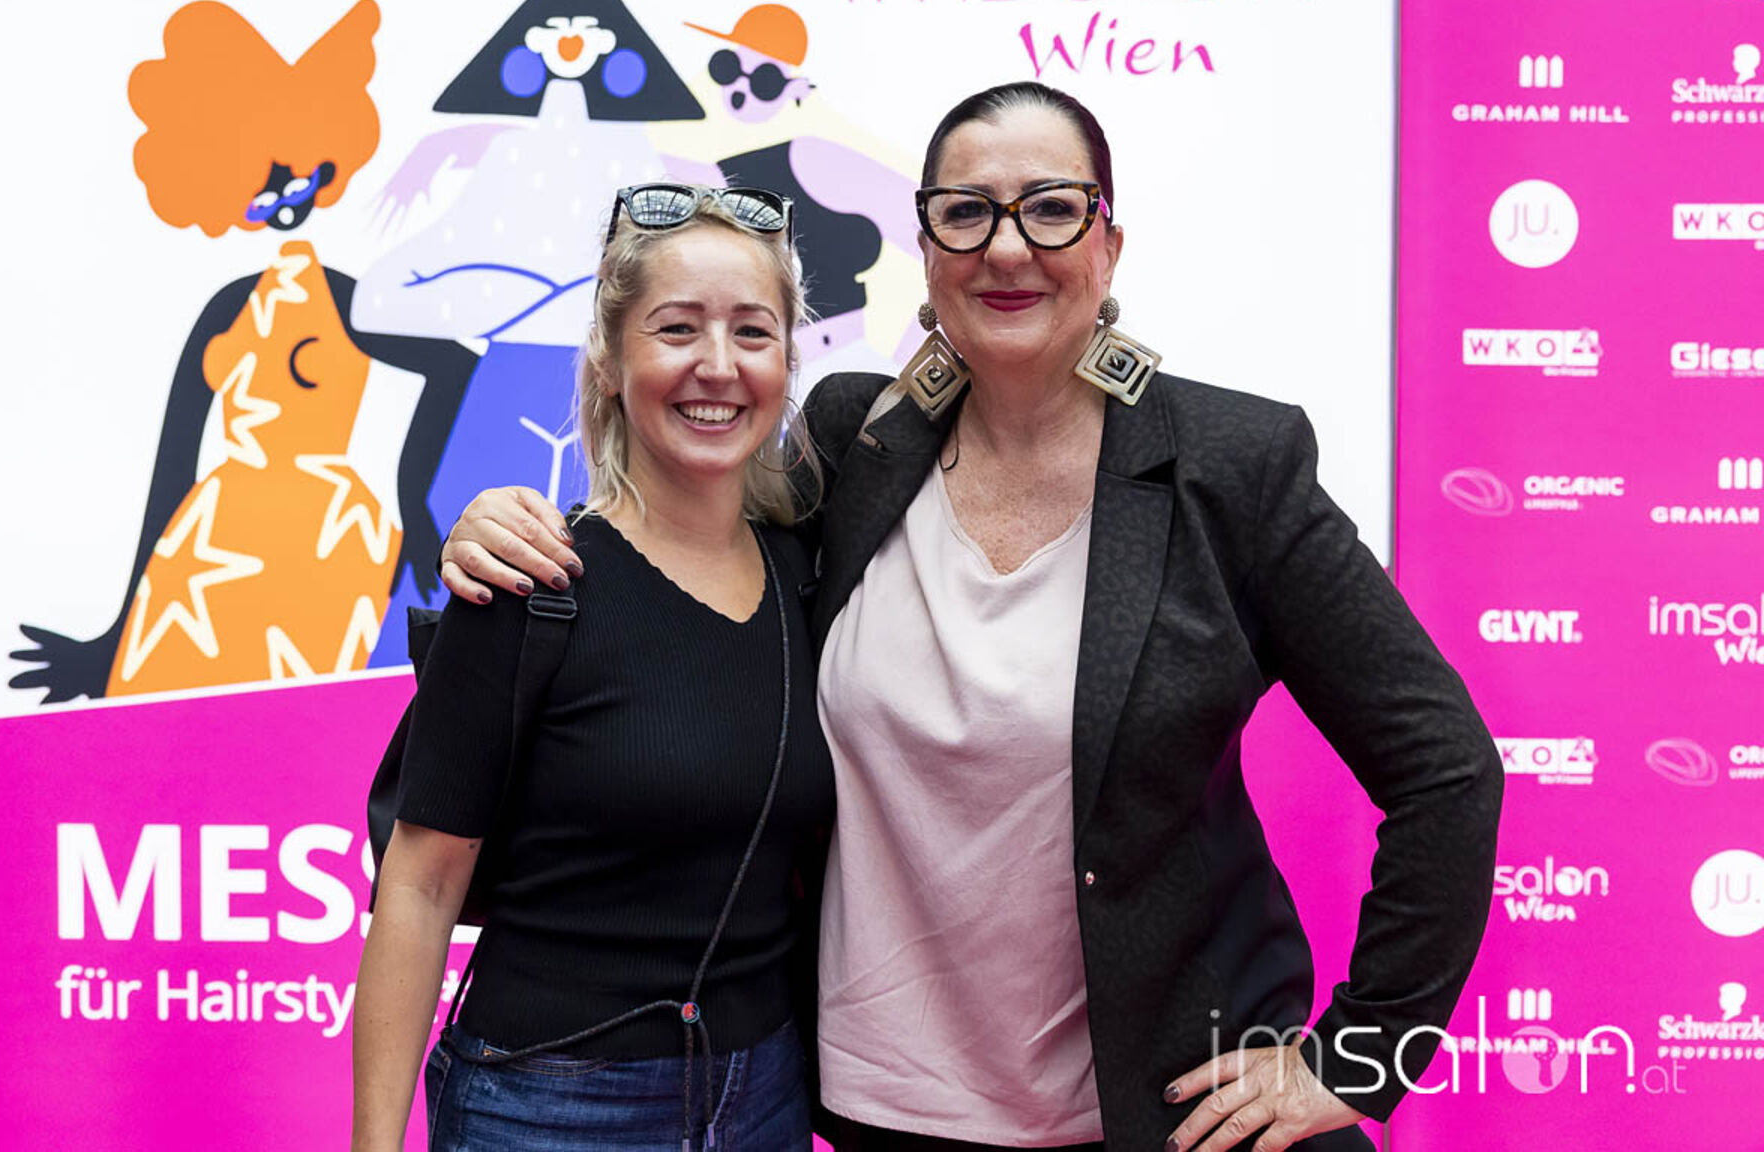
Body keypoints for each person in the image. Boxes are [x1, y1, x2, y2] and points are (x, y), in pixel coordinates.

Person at [437, 83, 1504, 1152]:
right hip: (878, 1113)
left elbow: (1446, 766)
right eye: (967, 212)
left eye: (1052, 209)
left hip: (1160, 1116)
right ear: (927, 249)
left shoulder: (1230, 471)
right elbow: (686, 543)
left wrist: (1361, 1055)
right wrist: (509, 525)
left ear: (1109, 245)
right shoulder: (855, 441)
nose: (1007, 247)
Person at [352, 185, 835, 1152]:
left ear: (787, 362)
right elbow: (420, 887)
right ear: (610, 363)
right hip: (546, 1107)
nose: (718, 365)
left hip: (765, 1103)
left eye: (752, 331)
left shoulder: (815, 574)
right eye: (676, 328)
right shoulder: (528, 582)